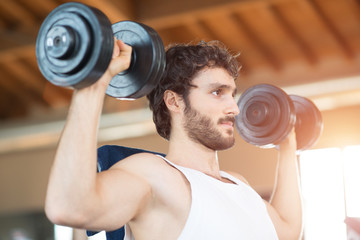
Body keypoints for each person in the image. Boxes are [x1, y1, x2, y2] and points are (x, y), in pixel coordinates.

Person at [45, 39, 303, 240]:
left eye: (231, 95)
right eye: (217, 93)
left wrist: (287, 142)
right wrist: (94, 83)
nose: (234, 108)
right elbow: (68, 207)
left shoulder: (239, 184)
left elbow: (288, 230)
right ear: (174, 101)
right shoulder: (154, 176)